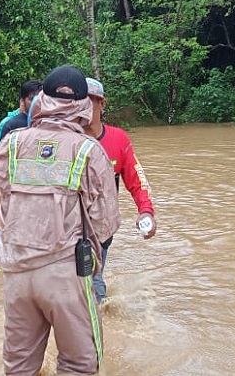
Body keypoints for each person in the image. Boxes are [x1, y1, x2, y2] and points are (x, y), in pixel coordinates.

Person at [0, 65, 121, 376]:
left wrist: (15, 223)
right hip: (66, 273)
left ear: (42, 99)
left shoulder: (12, 143)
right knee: (79, 363)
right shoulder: (88, 150)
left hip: (15, 271)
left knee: (19, 365)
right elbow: (106, 222)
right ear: (83, 105)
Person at [85, 77, 157, 304]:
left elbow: (137, 180)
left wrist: (146, 211)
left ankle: (102, 315)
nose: (83, 108)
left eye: (89, 102)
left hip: (101, 228)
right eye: (78, 102)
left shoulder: (118, 139)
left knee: (92, 281)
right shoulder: (66, 139)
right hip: (68, 227)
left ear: (102, 104)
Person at [0, 80, 42, 148]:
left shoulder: (47, 123)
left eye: (39, 99)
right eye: (32, 99)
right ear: (22, 100)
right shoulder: (11, 125)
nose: (36, 102)